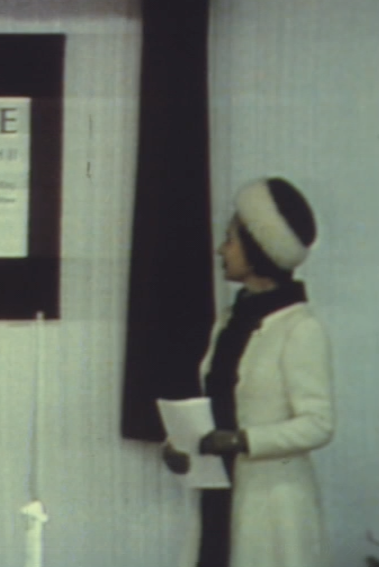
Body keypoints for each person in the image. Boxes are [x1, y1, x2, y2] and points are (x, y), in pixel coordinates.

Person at [162, 177, 335, 567]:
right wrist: (181, 445)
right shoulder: (229, 322)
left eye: (231, 239)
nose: (221, 250)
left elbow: (319, 423)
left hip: (272, 510)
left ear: (258, 249)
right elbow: (217, 405)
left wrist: (242, 440)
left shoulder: (300, 328)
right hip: (219, 498)